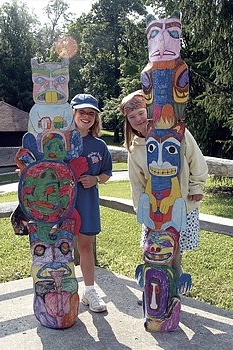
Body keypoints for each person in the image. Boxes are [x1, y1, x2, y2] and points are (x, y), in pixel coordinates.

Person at [120, 90, 207, 295]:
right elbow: (137, 184)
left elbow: (197, 161)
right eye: (131, 117)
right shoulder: (134, 149)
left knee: (174, 250)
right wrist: (142, 210)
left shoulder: (178, 135)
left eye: (141, 113)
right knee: (154, 250)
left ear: (148, 110)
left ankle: (173, 290)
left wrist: (196, 187)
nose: (137, 119)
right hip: (153, 211)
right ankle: (154, 290)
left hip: (182, 204)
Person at [69, 93, 113, 313]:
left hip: (87, 202)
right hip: (62, 203)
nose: (86, 116)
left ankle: (89, 291)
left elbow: (107, 173)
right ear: (73, 113)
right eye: (82, 111)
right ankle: (65, 292)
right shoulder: (61, 139)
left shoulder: (99, 145)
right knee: (62, 247)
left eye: (91, 113)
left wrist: (95, 179)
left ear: (96, 118)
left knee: (85, 247)